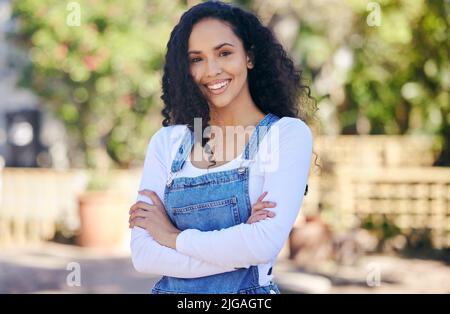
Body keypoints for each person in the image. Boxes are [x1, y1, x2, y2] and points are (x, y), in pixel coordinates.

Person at [128, 0, 314, 294]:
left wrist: (172, 237)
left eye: (224, 53)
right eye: (196, 59)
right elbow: (143, 255)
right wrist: (240, 251)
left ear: (249, 57)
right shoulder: (167, 143)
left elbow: (264, 244)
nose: (212, 70)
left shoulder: (285, 135)